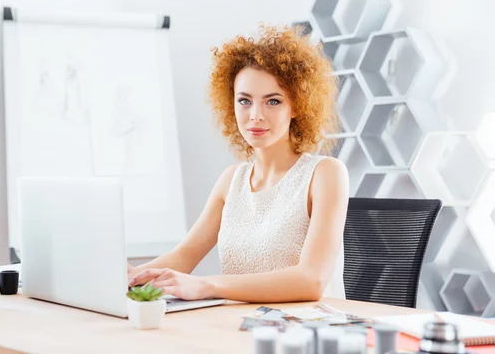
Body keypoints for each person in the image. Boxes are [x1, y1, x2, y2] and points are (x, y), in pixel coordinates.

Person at [128, 24, 349, 302]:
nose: (255, 115)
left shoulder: (325, 174)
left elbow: (312, 280)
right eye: (245, 101)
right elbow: (183, 256)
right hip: (242, 327)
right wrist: (129, 278)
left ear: (297, 106)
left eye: (273, 101)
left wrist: (207, 286)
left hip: (307, 333)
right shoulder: (232, 180)